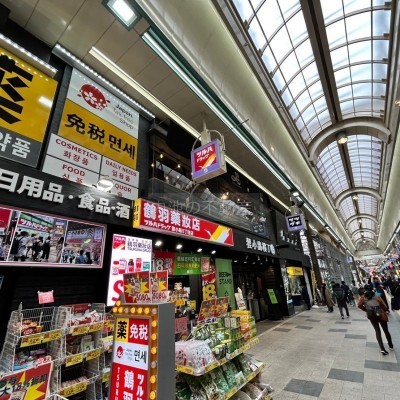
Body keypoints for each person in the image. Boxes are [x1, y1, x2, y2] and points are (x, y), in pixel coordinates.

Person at [358, 284, 393, 355]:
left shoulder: (363, 297)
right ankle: (390, 345)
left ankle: (382, 349)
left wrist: (366, 310)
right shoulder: (377, 296)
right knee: (386, 331)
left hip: (372, 316)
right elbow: (384, 306)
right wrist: (382, 310)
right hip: (381, 315)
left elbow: (359, 305)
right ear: (372, 289)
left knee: (377, 331)